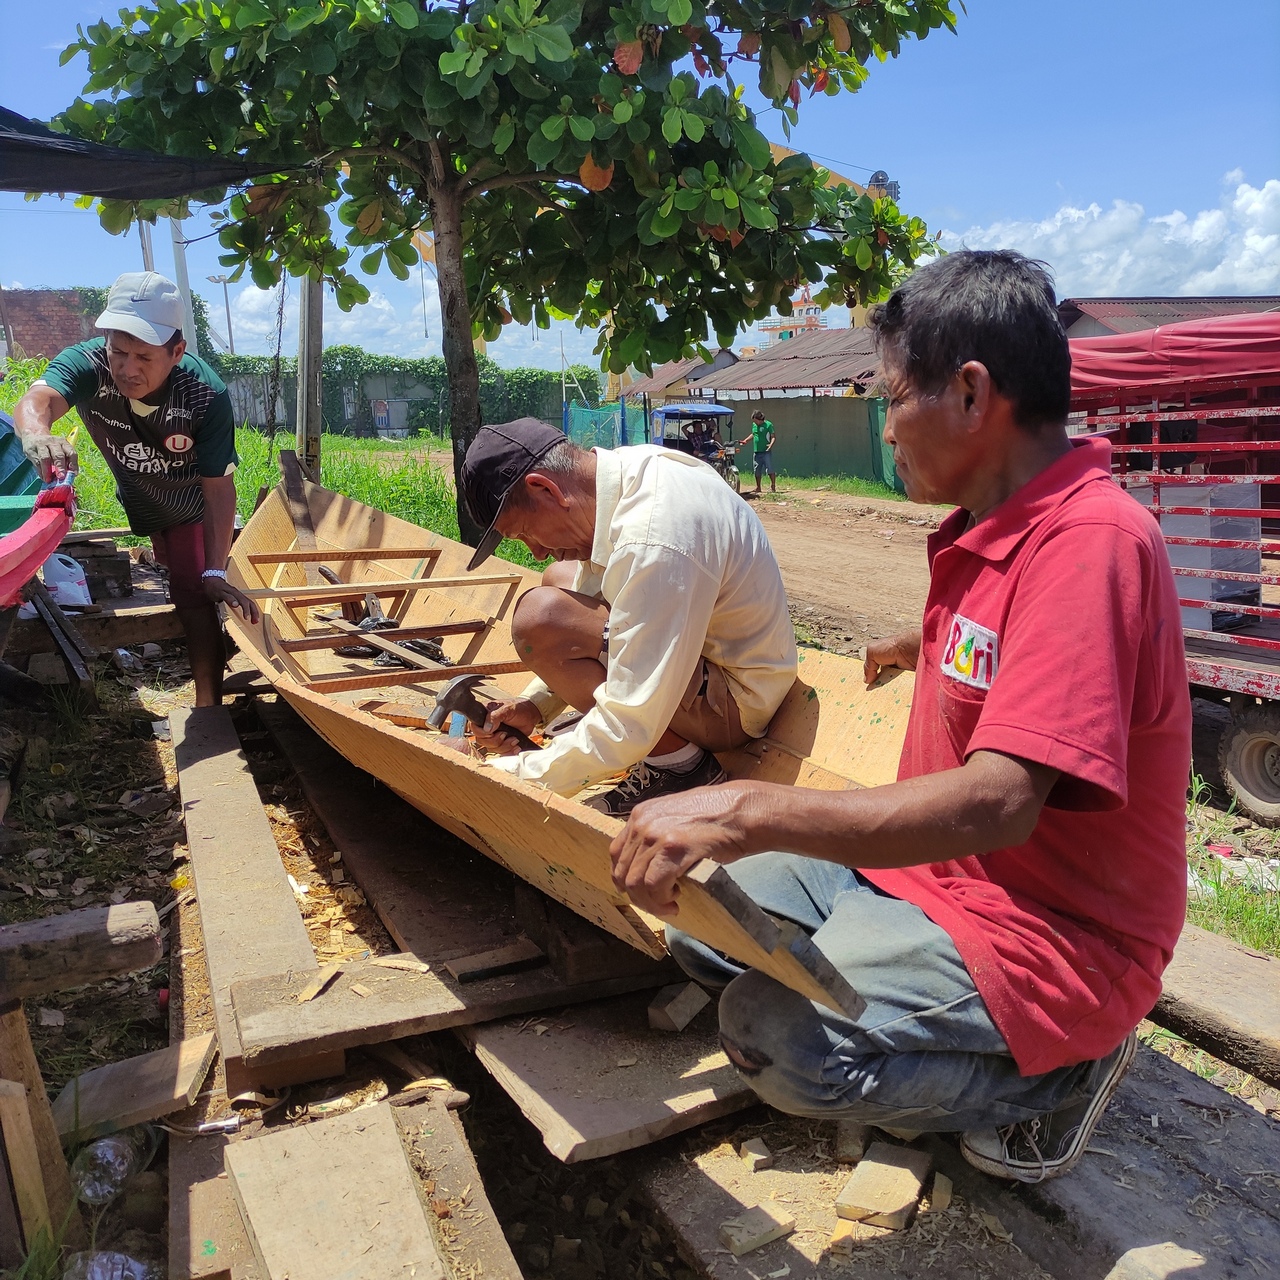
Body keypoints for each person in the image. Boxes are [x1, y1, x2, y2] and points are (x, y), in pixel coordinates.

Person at [608, 250, 1191, 1184]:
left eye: (891, 399)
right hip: (930, 878)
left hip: (1048, 928)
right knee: (696, 917)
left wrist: (744, 807)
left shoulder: (1092, 543)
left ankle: (1063, 1068)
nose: (886, 431)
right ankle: (922, 1009)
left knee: (777, 1039)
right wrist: (914, 644)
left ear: (970, 394)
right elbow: (1012, 649)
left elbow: (1003, 801)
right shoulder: (992, 522)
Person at [458, 418, 798, 816]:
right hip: (714, 661)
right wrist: (535, 708)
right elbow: (590, 597)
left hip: (734, 704)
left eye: (525, 534)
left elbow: (630, 721)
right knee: (559, 581)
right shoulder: (629, 474)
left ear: (545, 489)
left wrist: (512, 773)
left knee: (541, 617)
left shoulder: (656, 534)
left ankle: (681, 767)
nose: (535, 551)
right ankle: (669, 753)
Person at [14, 271, 259, 705]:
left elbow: (219, 489)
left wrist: (216, 570)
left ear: (177, 351)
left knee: (194, 592)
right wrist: (36, 431)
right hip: (140, 497)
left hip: (187, 506)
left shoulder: (203, 395)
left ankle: (208, 708)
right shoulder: (89, 365)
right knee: (164, 559)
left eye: (144, 357)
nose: (128, 369)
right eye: (119, 351)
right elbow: (40, 399)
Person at [737, 410, 776, 494]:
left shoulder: (768, 425)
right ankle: (758, 487)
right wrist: (746, 440)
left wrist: (770, 445)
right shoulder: (754, 425)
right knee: (757, 469)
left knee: (769, 469)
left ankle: (773, 486)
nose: (754, 422)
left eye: (755, 420)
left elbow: (773, 437)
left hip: (766, 451)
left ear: (760, 419)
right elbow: (754, 434)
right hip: (756, 451)